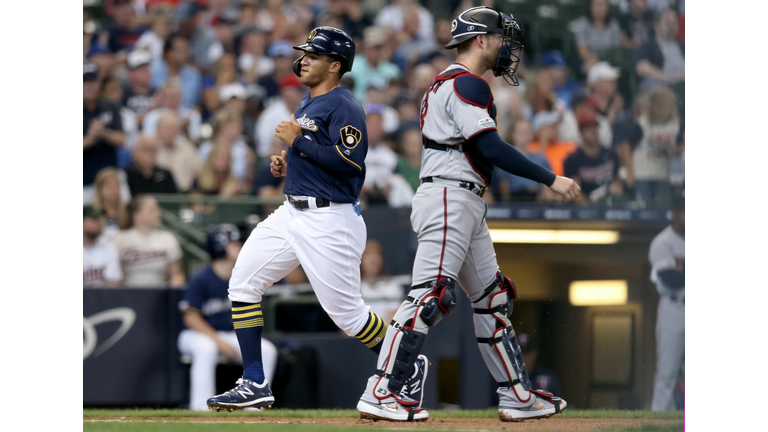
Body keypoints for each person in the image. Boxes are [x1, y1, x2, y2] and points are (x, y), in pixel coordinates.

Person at [356, 7, 579, 423]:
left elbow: (478, 149)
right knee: (429, 296)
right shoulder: (466, 84)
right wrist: (551, 178)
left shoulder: (452, 84)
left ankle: (517, 396)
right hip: (448, 196)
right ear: (480, 39)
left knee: (492, 299)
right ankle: (382, 390)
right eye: (498, 38)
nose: (504, 47)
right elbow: (491, 147)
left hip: (463, 198)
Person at [205, 27, 428, 413]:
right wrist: (288, 162)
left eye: (314, 54)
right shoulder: (309, 102)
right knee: (242, 283)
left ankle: (407, 362)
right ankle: (254, 381)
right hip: (292, 211)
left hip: (330, 218)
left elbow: (349, 160)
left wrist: (298, 143)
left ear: (335, 65)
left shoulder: (344, 104)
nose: (304, 59)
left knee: (347, 315)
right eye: (305, 53)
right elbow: (314, 155)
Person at [178, 224, 278, 411]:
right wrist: (219, 342)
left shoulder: (241, 276)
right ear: (219, 246)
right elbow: (190, 318)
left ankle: (255, 405)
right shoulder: (202, 278)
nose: (239, 246)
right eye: (234, 243)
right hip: (196, 335)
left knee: (268, 350)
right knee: (206, 348)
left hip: (227, 334)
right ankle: (200, 407)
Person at [649, 193, 685, 411]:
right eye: (684, 212)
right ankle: (660, 421)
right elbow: (670, 278)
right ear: (675, 213)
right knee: (667, 372)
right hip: (674, 307)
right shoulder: (663, 241)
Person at [114, 195, 185, 288]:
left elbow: (177, 274)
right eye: (152, 210)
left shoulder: (168, 238)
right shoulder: (120, 239)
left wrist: (172, 293)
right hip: (128, 294)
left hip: (159, 294)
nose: (158, 213)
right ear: (137, 215)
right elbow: (114, 275)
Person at [84, 61, 126, 205]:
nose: (89, 87)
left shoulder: (110, 106)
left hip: (110, 179)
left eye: (92, 82)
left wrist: (103, 133)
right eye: (84, 82)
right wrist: (90, 138)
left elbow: (122, 139)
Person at [563, 114, 623, 203]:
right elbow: (575, 194)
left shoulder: (611, 155)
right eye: (588, 129)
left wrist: (618, 191)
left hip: (610, 204)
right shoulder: (573, 160)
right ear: (581, 133)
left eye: (595, 127)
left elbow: (617, 181)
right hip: (586, 209)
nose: (593, 131)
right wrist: (591, 208)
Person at [635, 9, 684, 91]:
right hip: (663, 87)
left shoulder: (683, 46)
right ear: (656, 25)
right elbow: (641, 67)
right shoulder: (649, 45)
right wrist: (667, 78)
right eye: (668, 23)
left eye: (674, 23)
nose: (672, 26)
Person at [360, 240, 405, 323]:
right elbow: (345, 325)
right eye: (368, 255)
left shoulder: (392, 286)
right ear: (361, 260)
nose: (373, 260)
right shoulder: (353, 287)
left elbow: (392, 321)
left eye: (376, 255)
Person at [571, 0, 622, 72]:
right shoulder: (582, 23)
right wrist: (596, 60)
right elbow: (582, 52)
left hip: (609, 62)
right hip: (589, 62)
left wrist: (603, 60)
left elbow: (616, 51)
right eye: (597, 5)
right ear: (590, 7)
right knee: (590, 67)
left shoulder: (614, 25)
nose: (600, 9)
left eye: (602, 5)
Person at [155, 110, 200, 192]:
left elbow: (198, 173)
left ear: (178, 131)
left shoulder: (188, 148)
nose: (168, 132)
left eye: (172, 128)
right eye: (165, 128)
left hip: (184, 195)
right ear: (157, 129)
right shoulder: (152, 149)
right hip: (159, 195)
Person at [83, 207, 123, 288]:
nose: (99, 224)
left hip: (102, 297)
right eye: (94, 220)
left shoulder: (108, 246)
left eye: (100, 220)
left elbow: (113, 282)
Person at [92, 167, 132, 242]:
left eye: (117, 185)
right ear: (100, 189)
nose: (114, 189)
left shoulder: (128, 210)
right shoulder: (92, 213)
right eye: (109, 185)